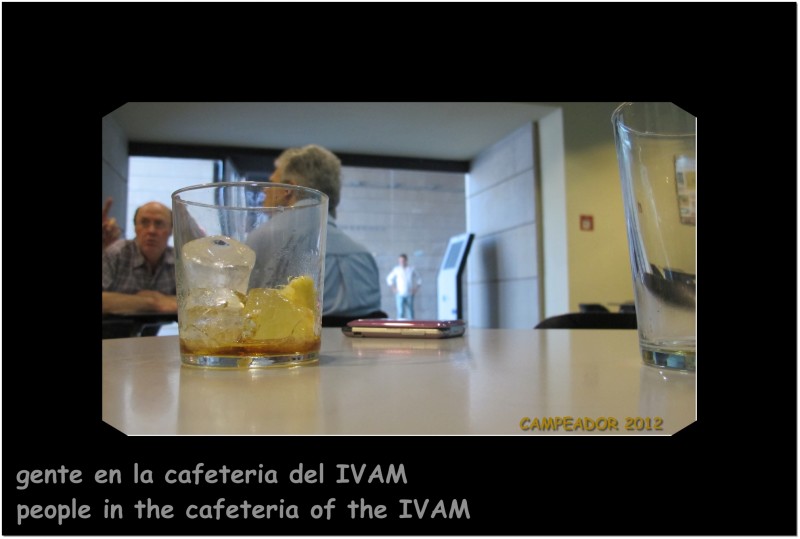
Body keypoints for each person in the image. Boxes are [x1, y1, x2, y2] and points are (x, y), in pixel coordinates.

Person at [248, 144, 382, 319]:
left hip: (295, 344)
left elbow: (245, 316)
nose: (266, 191)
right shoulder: (364, 256)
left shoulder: (262, 239)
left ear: (289, 189)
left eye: (272, 183)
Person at [102, 201, 178, 314]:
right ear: (135, 228)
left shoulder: (179, 262)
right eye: (144, 223)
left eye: (159, 223)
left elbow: (196, 302)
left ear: (171, 230)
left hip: (149, 331)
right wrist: (154, 302)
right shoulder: (116, 253)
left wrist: (129, 301)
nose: (151, 231)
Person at [386, 253, 422, 319]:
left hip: (409, 293)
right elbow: (389, 279)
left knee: (410, 312)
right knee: (400, 312)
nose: (401, 262)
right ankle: (400, 327)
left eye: (403, 261)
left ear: (406, 261)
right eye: (400, 261)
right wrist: (393, 288)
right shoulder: (396, 269)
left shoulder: (411, 269)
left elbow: (419, 279)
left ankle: (412, 327)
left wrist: (415, 289)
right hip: (399, 294)